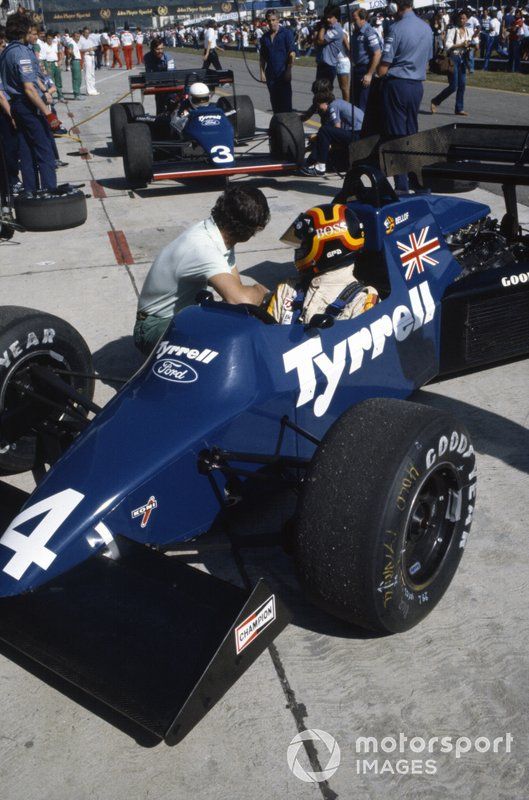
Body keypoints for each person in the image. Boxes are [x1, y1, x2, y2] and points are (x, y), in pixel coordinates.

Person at [134, 186, 271, 354]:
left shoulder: (219, 233)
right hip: (153, 327)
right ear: (250, 230)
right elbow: (241, 300)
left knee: (240, 322)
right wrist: (261, 291)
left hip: (177, 316)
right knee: (228, 344)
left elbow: (235, 288)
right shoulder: (205, 248)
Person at [267, 203, 378, 324]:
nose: (299, 250)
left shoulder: (361, 301)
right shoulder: (287, 290)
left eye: (304, 244)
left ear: (328, 247)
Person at [377, 0, 433, 192]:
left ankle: (401, 186)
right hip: (416, 85)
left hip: (397, 85)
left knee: (396, 136)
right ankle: (419, 182)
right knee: (411, 133)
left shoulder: (396, 29)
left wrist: (377, 72)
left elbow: (384, 67)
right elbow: (427, 61)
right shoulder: (426, 28)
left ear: (397, 6)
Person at [0, 12, 57, 194]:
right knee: (44, 148)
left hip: (16, 105)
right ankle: (50, 190)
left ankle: (31, 191)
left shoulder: (7, 52)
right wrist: (48, 114)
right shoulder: (21, 53)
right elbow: (29, 88)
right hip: (27, 105)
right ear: (23, 30)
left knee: (26, 151)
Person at [301, 90, 364, 176]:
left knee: (324, 130)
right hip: (362, 133)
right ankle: (311, 162)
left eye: (318, 105)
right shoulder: (339, 103)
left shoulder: (332, 107)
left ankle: (319, 167)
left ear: (325, 103)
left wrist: (316, 137)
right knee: (325, 133)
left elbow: (336, 128)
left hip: (358, 134)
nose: (318, 109)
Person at [431, 11, 474, 117]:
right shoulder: (453, 30)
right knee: (453, 86)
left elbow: (471, 44)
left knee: (462, 85)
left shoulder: (469, 31)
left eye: (464, 18)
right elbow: (448, 46)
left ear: (467, 19)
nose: (462, 20)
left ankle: (459, 108)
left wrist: (471, 46)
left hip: (463, 58)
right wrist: (460, 44)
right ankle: (435, 101)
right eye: (461, 18)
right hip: (453, 58)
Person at [259, 10, 296, 113]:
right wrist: (262, 72)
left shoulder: (286, 33)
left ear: (278, 20)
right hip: (270, 75)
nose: (271, 23)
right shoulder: (264, 37)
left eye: (273, 20)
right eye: (269, 20)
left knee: (286, 104)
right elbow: (262, 56)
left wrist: (288, 71)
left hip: (283, 74)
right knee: (275, 104)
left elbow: (292, 53)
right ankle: (277, 126)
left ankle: (287, 126)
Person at [351, 8, 382, 112]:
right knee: (353, 102)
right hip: (356, 69)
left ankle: (361, 127)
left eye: (355, 19)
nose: (353, 21)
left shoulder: (369, 32)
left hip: (365, 70)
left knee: (362, 104)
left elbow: (377, 54)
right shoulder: (356, 32)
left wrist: (369, 74)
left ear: (362, 19)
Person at [313, 5, 344, 88]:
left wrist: (322, 26)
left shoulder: (336, 29)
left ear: (336, 17)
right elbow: (315, 41)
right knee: (317, 90)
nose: (327, 20)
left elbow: (320, 40)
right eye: (326, 17)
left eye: (330, 17)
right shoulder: (329, 27)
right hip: (321, 63)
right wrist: (317, 29)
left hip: (329, 65)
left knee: (325, 92)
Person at [144, 37, 175, 113]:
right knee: (159, 105)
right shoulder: (147, 57)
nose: (160, 51)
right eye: (157, 49)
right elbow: (149, 73)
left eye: (161, 49)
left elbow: (171, 74)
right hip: (157, 84)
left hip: (170, 83)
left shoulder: (169, 58)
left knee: (172, 104)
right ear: (152, 49)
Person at [42, 30, 64, 101]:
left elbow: (60, 52)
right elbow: (43, 58)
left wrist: (60, 60)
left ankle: (60, 96)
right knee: (50, 81)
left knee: (58, 80)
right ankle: (50, 97)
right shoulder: (43, 46)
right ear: (46, 38)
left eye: (51, 38)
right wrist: (46, 68)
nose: (50, 40)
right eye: (48, 38)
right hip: (48, 64)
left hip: (56, 64)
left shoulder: (55, 45)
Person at [79, 26, 98, 95]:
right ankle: (89, 90)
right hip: (86, 56)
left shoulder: (90, 39)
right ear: (83, 33)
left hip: (92, 56)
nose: (87, 34)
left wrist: (93, 48)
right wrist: (87, 49)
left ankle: (93, 89)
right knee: (88, 73)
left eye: (88, 33)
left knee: (92, 73)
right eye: (86, 33)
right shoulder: (81, 39)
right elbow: (79, 49)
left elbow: (95, 46)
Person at [66, 31, 82, 99]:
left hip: (77, 61)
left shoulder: (75, 43)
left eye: (78, 37)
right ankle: (76, 94)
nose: (78, 38)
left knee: (79, 78)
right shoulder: (71, 43)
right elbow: (69, 51)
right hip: (75, 61)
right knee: (76, 78)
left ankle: (78, 92)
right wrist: (73, 56)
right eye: (76, 36)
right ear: (73, 36)